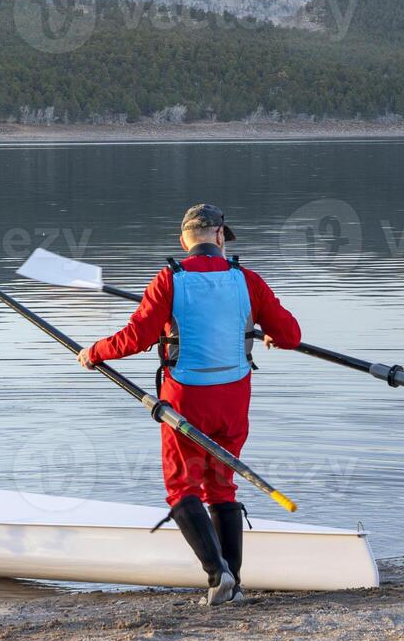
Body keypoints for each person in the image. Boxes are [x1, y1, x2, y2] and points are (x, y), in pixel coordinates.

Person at [78, 204, 301, 605]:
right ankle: (233, 579)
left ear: (184, 241)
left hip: (185, 399)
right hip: (233, 399)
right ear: (219, 237)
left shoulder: (169, 279)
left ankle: (218, 575)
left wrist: (95, 351)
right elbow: (291, 335)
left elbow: (136, 337)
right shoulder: (247, 279)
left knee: (183, 486)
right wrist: (266, 332)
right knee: (222, 484)